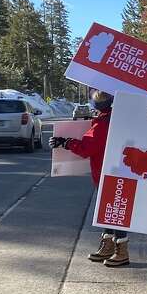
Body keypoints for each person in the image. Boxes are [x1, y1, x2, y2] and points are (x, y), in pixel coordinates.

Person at [49, 89, 129, 268]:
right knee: (108, 211)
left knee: (115, 212)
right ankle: (108, 245)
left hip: (109, 172)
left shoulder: (103, 123)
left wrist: (66, 142)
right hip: (116, 170)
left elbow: (87, 148)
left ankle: (121, 250)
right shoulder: (114, 118)